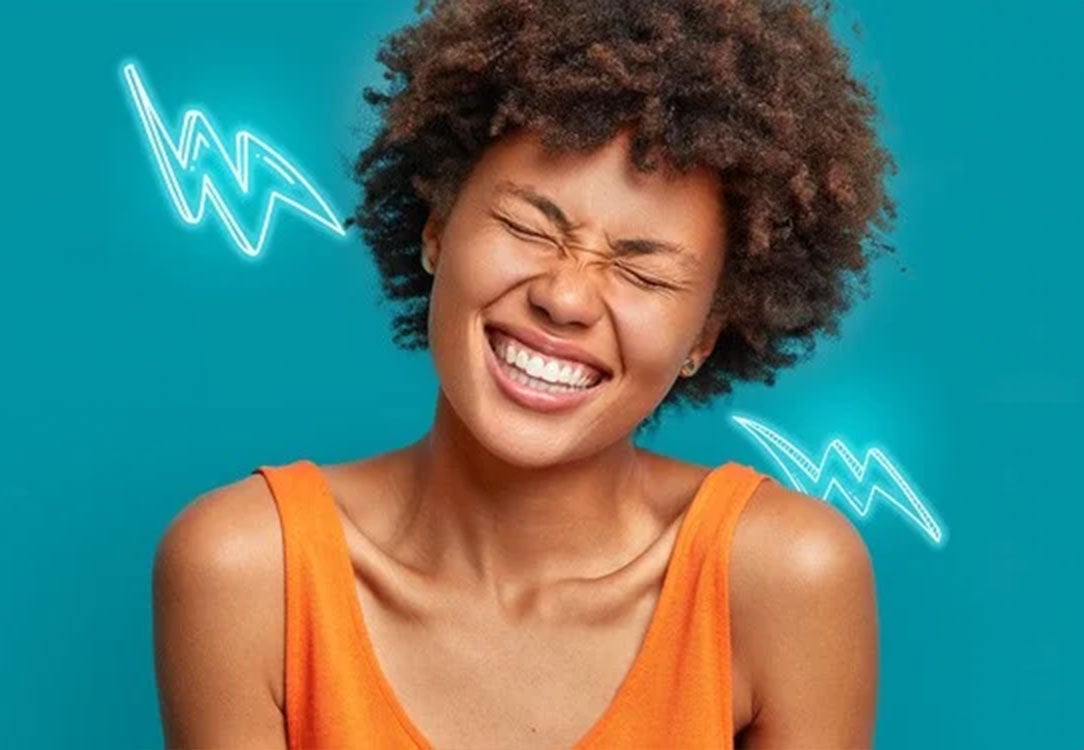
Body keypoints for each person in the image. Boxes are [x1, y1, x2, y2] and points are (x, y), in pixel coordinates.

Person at [152, 0, 892, 746]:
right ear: (436, 228)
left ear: (705, 336)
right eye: (528, 227)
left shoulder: (781, 579)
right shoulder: (250, 571)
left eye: (642, 275)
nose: (565, 298)